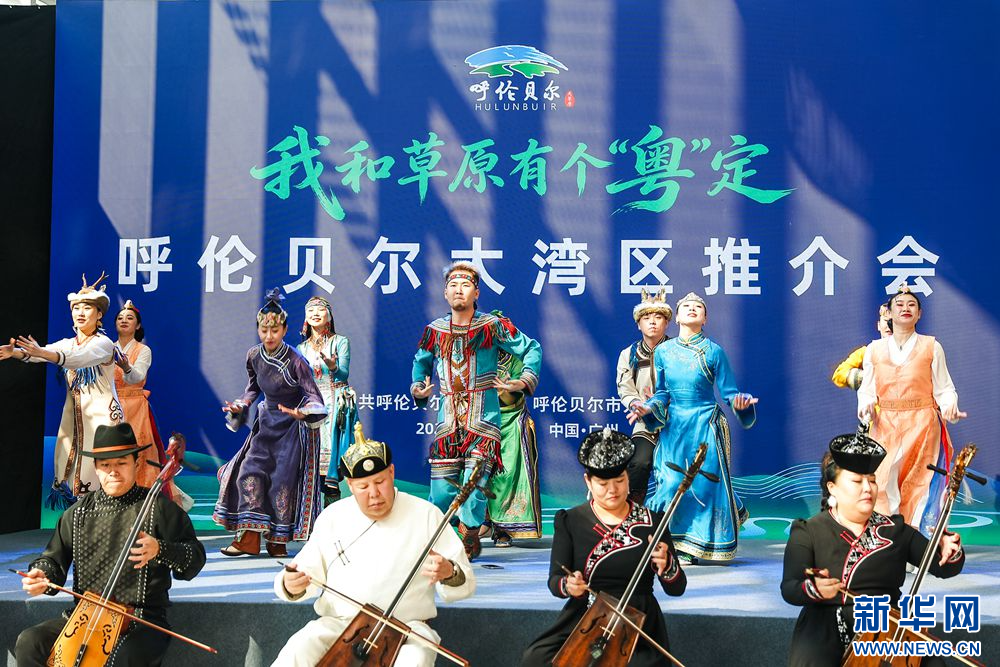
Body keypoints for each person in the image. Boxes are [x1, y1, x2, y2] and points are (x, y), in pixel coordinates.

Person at [272, 425, 475, 667]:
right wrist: (290, 584)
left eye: (380, 482)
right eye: (363, 486)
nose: (374, 493)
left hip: (407, 629)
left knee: (415, 659)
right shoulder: (332, 517)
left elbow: (465, 580)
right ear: (350, 485)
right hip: (341, 625)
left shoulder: (426, 514)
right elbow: (302, 572)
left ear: (392, 472)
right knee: (300, 647)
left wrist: (449, 572)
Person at [15, 423, 206, 667]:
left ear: (136, 464)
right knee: (30, 641)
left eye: (121, 463)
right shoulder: (77, 513)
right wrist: (42, 574)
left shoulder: (159, 509)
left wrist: (160, 549)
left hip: (141, 620)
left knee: (122, 658)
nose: (113, 471)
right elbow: (53, 559)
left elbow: (195, 558)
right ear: (96, 468)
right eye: (105, 465)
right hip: (85, 618)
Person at [780, 431, 964, 667]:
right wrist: (813, 589)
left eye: (872, 480)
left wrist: (949, 548)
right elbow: (790, 587)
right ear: (832, 488)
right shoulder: (808, 531)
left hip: (885, 628)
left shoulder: (896, 529)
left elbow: (944, 568)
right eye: (857, 482)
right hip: (825, 630)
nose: (868, 488)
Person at [520, 428, 686, 667]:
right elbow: (555, 581)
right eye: (602, 483)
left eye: (620, 481)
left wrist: (668, 566)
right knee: (536, 658)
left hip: (636, 621)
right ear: (588, 481)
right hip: (586, 615)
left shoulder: (653, 522)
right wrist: (569, 585)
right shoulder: (570, 521)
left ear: (628, 478)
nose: (613, 490)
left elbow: (677, 589)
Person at [411, 261, 542, 559]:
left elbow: (531, 348)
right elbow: (421, 363)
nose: (459, 290)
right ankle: (439, 538)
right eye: (453, 285)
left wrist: (523, 379)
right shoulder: (435, 330)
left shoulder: (491, 326)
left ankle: (470, 532)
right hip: (448, 422)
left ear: (477, 293)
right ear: (445, 293)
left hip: (484, 420)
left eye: (466, 285)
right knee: (442, 490)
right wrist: (418, 387)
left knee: (474, 483)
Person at [629, 292, 757, 563]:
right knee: (671, 483)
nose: (692, 309)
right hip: (674, 427)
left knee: (701, 486)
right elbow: (662, 392)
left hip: (705, 424)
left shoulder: (714, 351)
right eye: (686, 306)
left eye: (698, 307)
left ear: (705, 318)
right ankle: (671, 536)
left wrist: (741, 403)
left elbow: (729, 392)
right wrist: (648, 408)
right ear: (676, 317)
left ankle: (688, 546)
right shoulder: (663, 352)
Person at [214, 288, 327, 558]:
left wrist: (303, 412)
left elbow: (314, 397)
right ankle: (250, 538)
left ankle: (277, 541)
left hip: (292, 427)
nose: (269, 336)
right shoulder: (254, 355)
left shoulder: (296, 360)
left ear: (285, 330)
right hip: (266, 423)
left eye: (274, 331)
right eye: (264, 330)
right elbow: (253, 388)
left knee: (281, 483)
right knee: (248, 473)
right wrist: (242, 404)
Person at [0, 273, 123, 506]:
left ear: (99, 314)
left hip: (103, 419)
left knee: (101, 468)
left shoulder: (103, 344)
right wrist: (14, 352)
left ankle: (105, 517)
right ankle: (81, 518)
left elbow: (77, 358)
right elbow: (42, 354)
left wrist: (44, 353)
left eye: (87, 308)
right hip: (76, 417)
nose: (80, 312)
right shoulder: (68, 343)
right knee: (72, 465)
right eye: (76, 308)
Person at [857, 285, 967, 534]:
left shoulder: (931, 347)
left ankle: (916, 541)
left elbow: (945, 388)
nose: (905, 308)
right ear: (888, 313)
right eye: (899, 304)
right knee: (883, 483)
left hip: (923, 424)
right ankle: (888, 539)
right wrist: (866, 407)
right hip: (885, 425)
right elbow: (867, 390)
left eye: (911, 305)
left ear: (919, 314)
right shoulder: (874, 349)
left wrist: (949, 407)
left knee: (920, 484)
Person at [112, 300, 192, 510]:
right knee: (112, 452)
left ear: (138, 325)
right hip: (110, 405)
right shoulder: (107, 348)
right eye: (120, 318)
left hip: (135, 407)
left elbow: (137, 376)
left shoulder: (143, 350)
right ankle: (113, 499)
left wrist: (126, 367)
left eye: (130, 318)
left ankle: (141, 503)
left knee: (139, 452)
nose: (124, 321)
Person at [296, 295, 358, 507]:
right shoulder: (301, 348)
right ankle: (312, 519)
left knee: (332, 469)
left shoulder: (340, 342)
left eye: (320, 310)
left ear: (329, 316)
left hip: (335, 405)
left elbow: (343, 374)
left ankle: (333, 515)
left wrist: (333, 367)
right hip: (311, 406)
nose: (315, 313)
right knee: (311, 470)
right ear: (305, 317)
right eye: (310, 310)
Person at [487, 312, 542, 547]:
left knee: (506, 474)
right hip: (479, 420)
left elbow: (517, 393)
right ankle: (476, 523)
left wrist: (513, 386)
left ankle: (503, 528)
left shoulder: (519, 356)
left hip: (511, 420)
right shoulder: (478, 354)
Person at [616, 287, 672, 504]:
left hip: (677, 421)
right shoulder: (629, 354)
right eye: (647, 318)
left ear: (667, 322)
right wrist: (637, 404)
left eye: (658, 317)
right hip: (645, 422)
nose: (652, 322)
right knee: (639, 463)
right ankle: (633, 510)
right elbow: (625, 387)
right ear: (638, 324)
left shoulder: (678, 352)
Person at [832, 304, 892, 390]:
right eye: (886, 320)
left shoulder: (911, 352)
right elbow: (839, 374)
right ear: (878, 325)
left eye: (894, 322)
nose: (889, 326)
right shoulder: (867, 352)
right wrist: (863, 377)